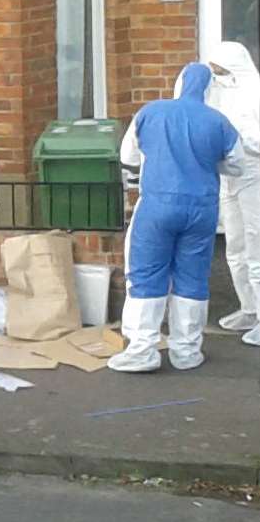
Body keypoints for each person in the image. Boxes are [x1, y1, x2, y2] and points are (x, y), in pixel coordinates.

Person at [111, 63, 246, 372]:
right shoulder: (219, 122)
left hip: (157, 204)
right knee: (192, 277)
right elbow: (237, 164)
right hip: (202, 209)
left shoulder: (151, 112)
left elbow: (128, 157)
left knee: (146, 273)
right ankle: (186, 351)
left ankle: (142, 349)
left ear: (178, 83)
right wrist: (211, 165)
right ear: (208, 90)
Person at [203, 42, 260, 346]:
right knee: (235, 246)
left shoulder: (255, 92)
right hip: (228, 175)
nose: (218, 76)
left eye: (222, 70)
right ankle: (249, 307)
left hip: (254, 175)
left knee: (256, 245)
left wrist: (239, 136)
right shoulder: (218, 92)